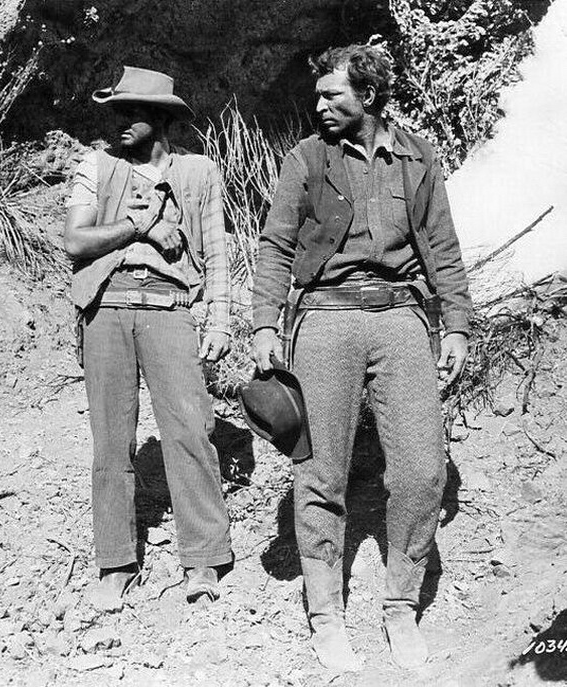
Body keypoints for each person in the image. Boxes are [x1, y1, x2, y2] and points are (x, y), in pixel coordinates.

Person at [250, 45, 472, 671]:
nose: (320, 105)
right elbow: (276, 245)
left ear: (368, 96)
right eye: (318, 96)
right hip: (324, 318)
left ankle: (401, 606)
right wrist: (264, 321)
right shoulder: (306, 159)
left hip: (401, 317)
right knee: (320, 471)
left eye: (333, 95)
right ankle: (326, 615)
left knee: (422, 470)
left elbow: (443, 249)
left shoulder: (417, 157)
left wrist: (456, 325)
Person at [63, 66, 234, 611]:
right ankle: (115, 562)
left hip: (169, 308)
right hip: (107, 308)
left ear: (160, 118)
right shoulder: (96, 166)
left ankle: (203, 557)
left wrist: (220, 319)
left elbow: (217, 250)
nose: (118, 122)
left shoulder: (199, 172)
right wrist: (137, 227)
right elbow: (75, 242)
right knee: (112, 441)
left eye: (131, 112)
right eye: (115, 111)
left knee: (189, 431)